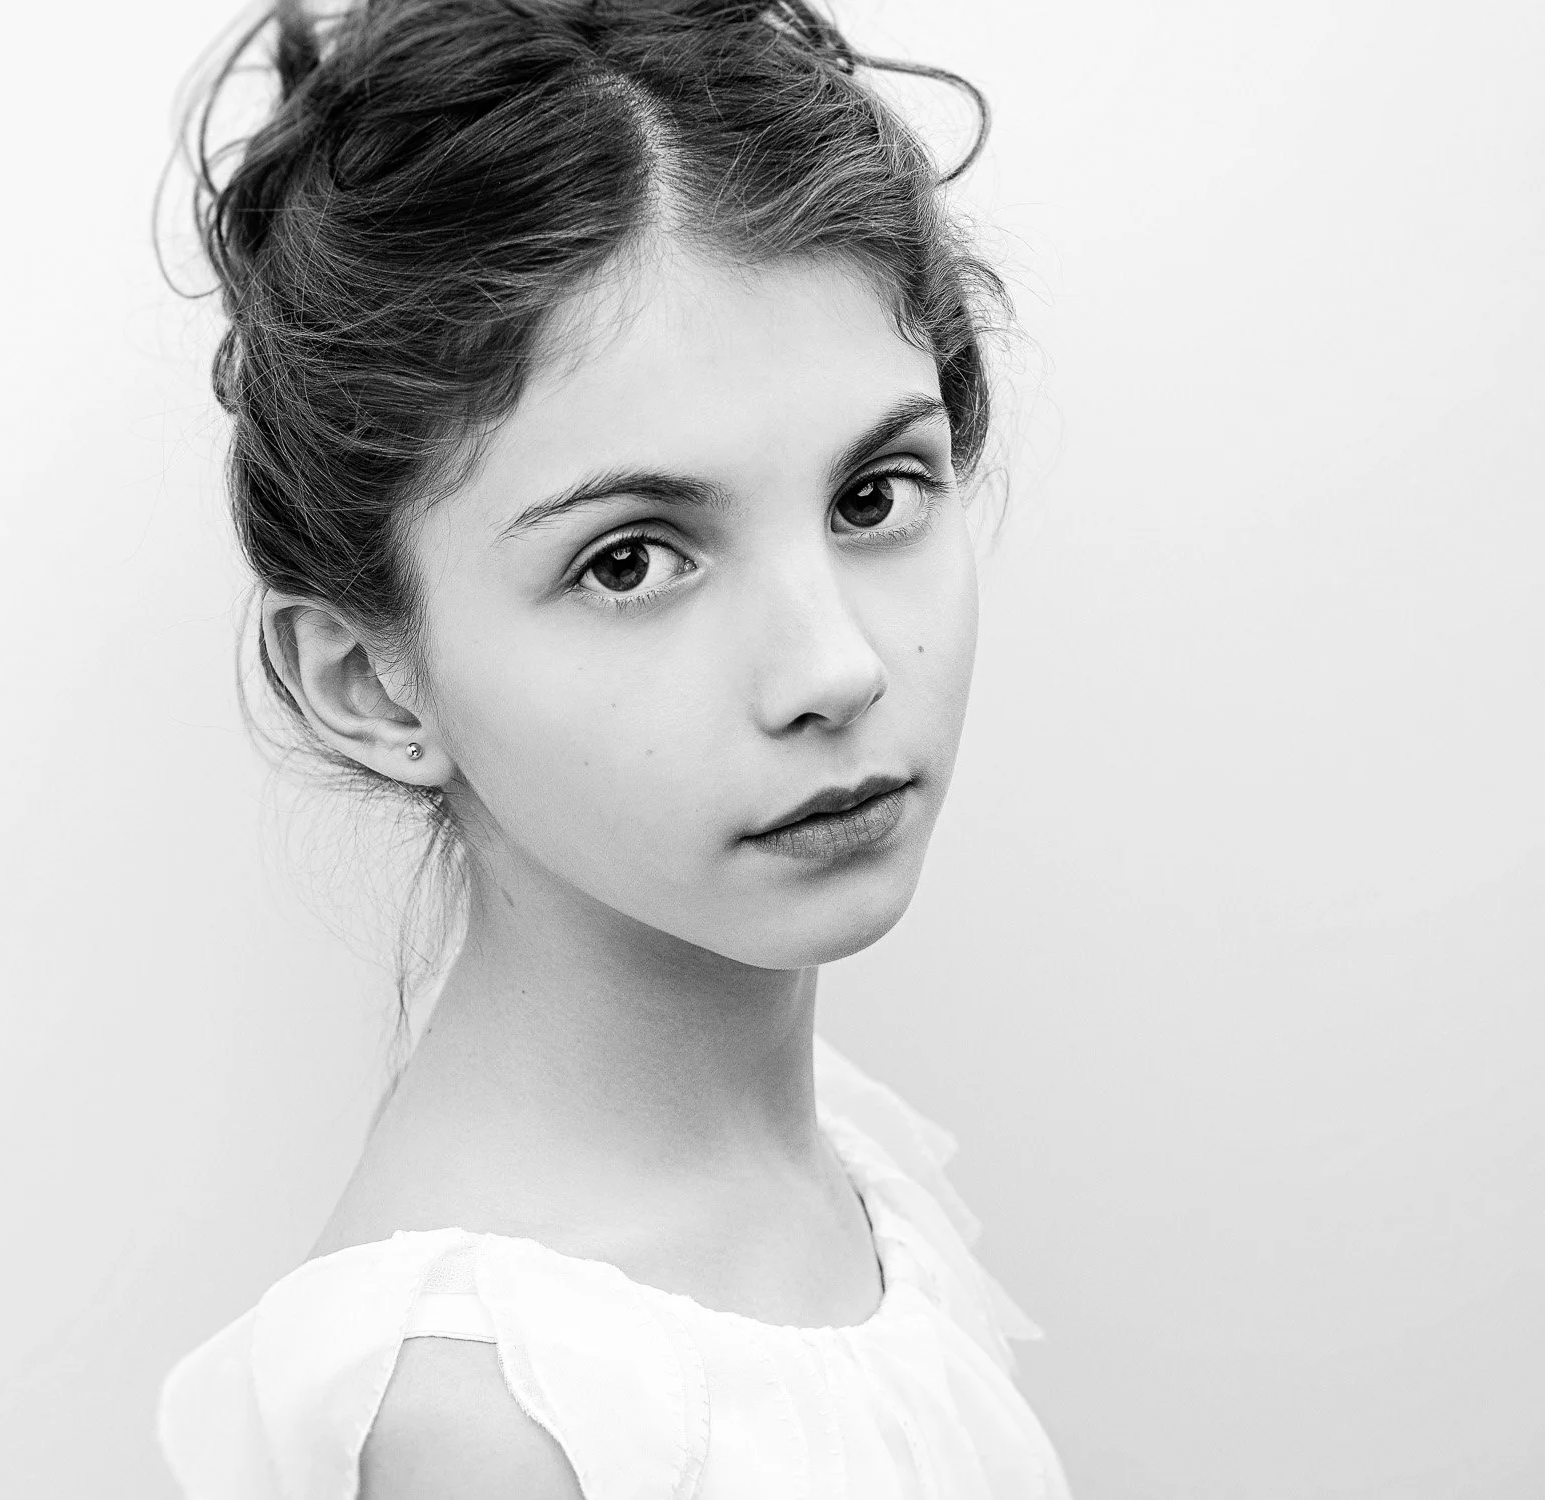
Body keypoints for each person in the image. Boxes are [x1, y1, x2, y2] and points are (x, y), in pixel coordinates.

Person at [156, 0, 1072, 1492]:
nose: (833, 670)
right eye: (633, 561)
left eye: (873, 496)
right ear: (374, 687)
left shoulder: (823, 1163)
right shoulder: (501, 1423)